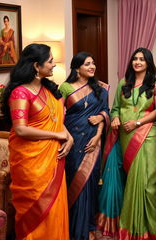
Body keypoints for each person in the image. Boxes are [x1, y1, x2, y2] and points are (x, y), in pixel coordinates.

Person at [1, 43, 73, 239]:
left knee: (54, 209)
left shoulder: (48, 89)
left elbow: (55, 119)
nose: (53, 65)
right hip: (31, 167)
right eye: (50, 61)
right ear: (36, 66)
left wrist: (69, 136)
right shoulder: (20, 93)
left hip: (53, 160)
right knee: (36, 212)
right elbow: (21, 128)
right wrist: (57, 135)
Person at [97, 48, 156, 239]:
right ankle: (128, 224)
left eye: (142, 59)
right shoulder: (124, 83)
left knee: (147, 182)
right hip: (123, 136)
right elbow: (115, 107)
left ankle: (147, 228)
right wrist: (115, 118)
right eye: (135, 58)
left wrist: (138, 122)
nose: (137, 62)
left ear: (148, 62)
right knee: (129, 180)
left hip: (147, 134)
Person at [59, 52, 109, 240]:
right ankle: (72, 229)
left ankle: (88, 226)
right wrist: (67, 136)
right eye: (87, 63)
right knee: (74, 181)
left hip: (92, 142)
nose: (92, 66)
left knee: (91, 184)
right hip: (72, 141)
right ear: (76, 67)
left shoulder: (100, 88)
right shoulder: (65, 87)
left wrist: (98, 133)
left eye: (93, 63)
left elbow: (105, 111)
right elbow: (57, 114)